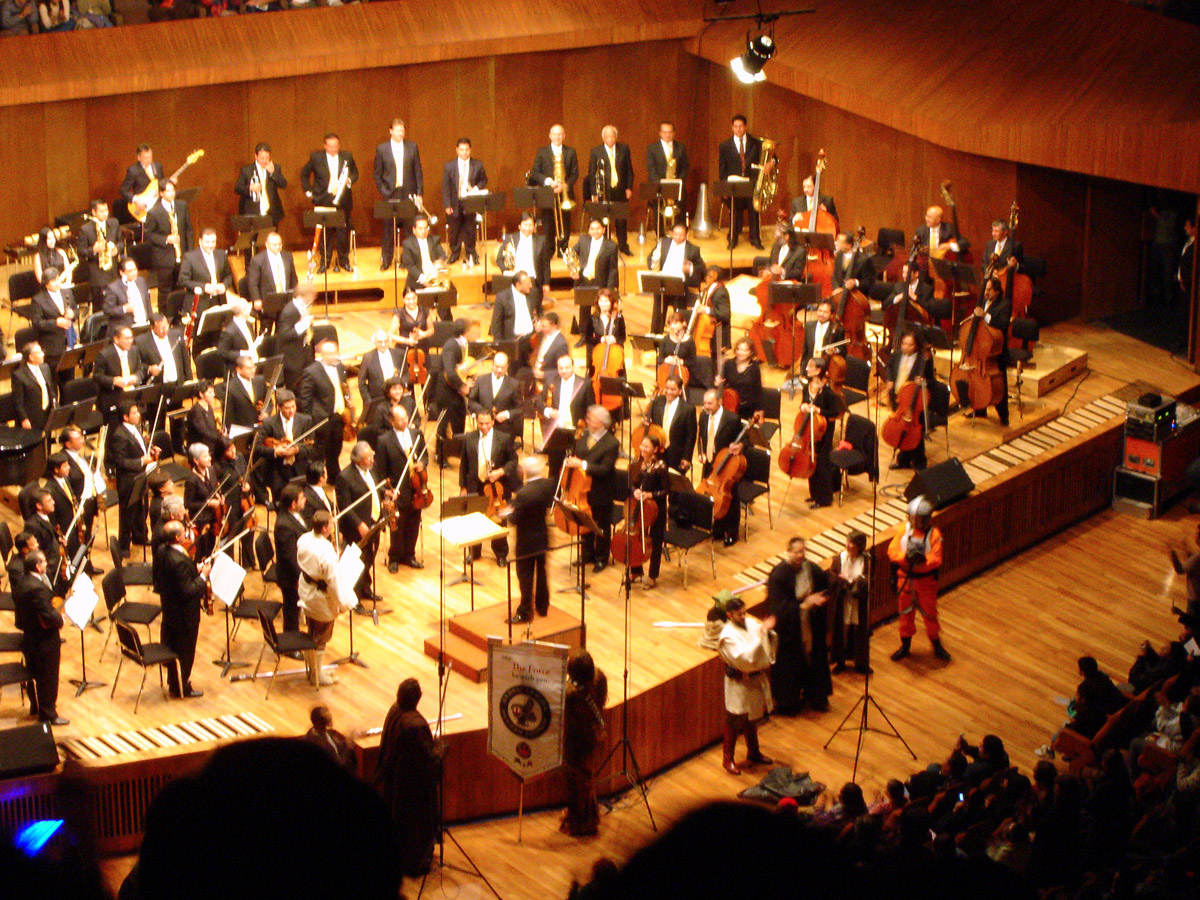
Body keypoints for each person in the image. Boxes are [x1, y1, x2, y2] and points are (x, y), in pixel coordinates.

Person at [375, 678, 442, 878]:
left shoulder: (394, 710)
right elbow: (427, 759)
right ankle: (415, 863)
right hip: (412, 787)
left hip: (394, 777)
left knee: (397, 821)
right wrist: (440, 750)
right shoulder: (414, 724)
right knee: (415, 826)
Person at [766, 536, 832, 714]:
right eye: (797, 552)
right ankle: (789, 702)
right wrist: (803, 605)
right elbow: (778, 608)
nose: (800, 555)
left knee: (813, 658)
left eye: (803, 551)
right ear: (789, 552)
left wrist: (822, 596)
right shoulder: (779, 575)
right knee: (791, 664)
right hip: (790, 629)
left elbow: (825, 584)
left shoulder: (809, 568)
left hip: (808, 623)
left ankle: (815, 696)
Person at [716, 596, 776, 775]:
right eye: (739, 614)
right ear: (729, 614)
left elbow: (764, 632)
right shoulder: (727, 636)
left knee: (752, 717)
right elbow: (745, 659)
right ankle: (728, 759)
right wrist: (761, 635)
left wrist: (768, 631)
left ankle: (754, 751)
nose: (743, 616)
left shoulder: (749, 623)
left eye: (744, 612)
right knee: (735, 719)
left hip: (754, 679)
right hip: (739, 681)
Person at [887, 495, 950, 662]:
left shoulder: (934, 535)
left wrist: (922, 561)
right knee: (905, 614)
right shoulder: (904, 530)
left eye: (918, 518)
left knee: (930, 615)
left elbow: (936, 559)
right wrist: (906, 557)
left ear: (927, 518)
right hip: (905, 579)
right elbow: (892, 551)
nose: (915, 521)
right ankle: (905, 646)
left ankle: (936, 645)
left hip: (925, 582)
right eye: (913, 518)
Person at [154, 520, 211, 699]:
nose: (187, 533)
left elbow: (177, 579)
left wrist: (194, 569)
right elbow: (188, 590)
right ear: (178, 537)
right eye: (183, 532)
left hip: (170, 609)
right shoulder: (176, 560)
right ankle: (182, 687)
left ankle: (174, 683)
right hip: (184, 614)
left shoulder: (162, 551)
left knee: (173, 647)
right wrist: (202, 576)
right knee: (185, 651)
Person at [14, 550, 66, 726]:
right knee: (48, 677)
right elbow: (50, 615)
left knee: (35, 672)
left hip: (29, 636)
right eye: (44, 562)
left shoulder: (23, 581)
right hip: (44, 639)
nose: (46, 564)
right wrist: (61, 619)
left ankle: (36, 706)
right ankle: (48, 714)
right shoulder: (36, 588)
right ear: (37, 566)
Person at [459, 409, 516, 567]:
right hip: (475, 484)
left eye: (487, 423)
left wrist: (500, 472)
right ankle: (474, 551)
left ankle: (501, 553)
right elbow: (464, 463)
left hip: (496, 486)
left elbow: (513, 461)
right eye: (480, 423)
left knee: (498, 519)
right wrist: (463, 486)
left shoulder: (504, 438)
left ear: (492, 422)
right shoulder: (470, 438)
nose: (484, 427)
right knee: (474, 518)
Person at [566, 405, 619, 573]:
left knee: (601, 526)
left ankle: (602, 558)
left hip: (600, 490)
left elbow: (605, 470)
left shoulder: (612, 444)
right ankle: (586, 554)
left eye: (591, 419)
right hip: (581, 489)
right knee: (584, 522)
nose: (587, 421)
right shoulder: (584, 435)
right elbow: (577, 454)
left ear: (602, 423)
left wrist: (581, 464)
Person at [561, 650, 608, 836]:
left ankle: (580, 822)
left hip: (576, 741)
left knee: (576, 782)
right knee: (587, 780)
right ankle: (589, 817)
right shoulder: (600, 680)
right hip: (592, 737)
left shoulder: (570, 695)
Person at [501, 457, 554, 624]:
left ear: (525, 472)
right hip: (542, 537)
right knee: (542, 572)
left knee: (525, 576)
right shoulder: (548, 484)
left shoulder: (523, 494)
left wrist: (508, 512)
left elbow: (514, 520)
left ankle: (524, 611)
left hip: (526, 542)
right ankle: (542, 605)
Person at [335, 442, 387, 611]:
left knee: (370, 558)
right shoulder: (345, 477)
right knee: (357, 562)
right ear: (358, 461)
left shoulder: (371, 469)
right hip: (357, 529)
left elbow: (375, 489)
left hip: (374, 521)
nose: (372, 460)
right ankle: (353, 597)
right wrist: (358, 524)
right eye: (368, 458)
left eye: (372, 455)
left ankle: (365, 588)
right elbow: (345, 506)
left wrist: (386, 493)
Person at [375, 406, 427, 572]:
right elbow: (381, 471)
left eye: (406, 417)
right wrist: (386, 491)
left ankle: (409, 555)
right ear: (392, 422)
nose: (405, 421)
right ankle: (394, 557)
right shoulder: (384, 441)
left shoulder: (416, 434)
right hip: (398, 490)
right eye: (401, 419)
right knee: (397, 527)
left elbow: (424, 454)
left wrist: (422, 464)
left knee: (413, 523)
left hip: (417, 488)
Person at [957, 274, 1012, 426]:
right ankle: (980, 409)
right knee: (977, 381)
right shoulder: (982, 301)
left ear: (997, 291)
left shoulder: (1004, 304)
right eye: (985, 289)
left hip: (996, 352)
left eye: (989, 289)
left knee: (1001, 387)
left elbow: (1002, 324)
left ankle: (1004, 416)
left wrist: (985, 316)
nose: (986, 292)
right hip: (981, 350)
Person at [296, 510, 344, 685]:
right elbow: (333, 580)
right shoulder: (326, 552)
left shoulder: (304, 539)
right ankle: (317, 676)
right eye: (331, 524)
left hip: (306, 589)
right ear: (324, 528)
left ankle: (313, 672)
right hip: (319, 597)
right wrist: (345, 602)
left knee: (312, 632)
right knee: (321, 637)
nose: (333, 526)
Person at [300, 132, 358, 273]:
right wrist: (309, 190)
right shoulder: (316, 157)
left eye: (336, 146)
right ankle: (324, 262)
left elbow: (355, 173)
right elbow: (304, 173)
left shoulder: (347, 157)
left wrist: (348, 180)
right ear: (325, 146)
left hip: (342, 201)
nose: (333, 149)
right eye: (330, 146)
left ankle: (344, 261)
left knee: (342, 234)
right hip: (323, 200)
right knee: (325, 234)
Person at [110, 401, 159, 556]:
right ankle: (123, 547)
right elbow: (120, 461)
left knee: (141, 510)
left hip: (140, 476)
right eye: (134, 413)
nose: (138, 415)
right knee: (127, 515)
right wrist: (141, 461)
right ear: (125, 417)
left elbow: (138, 448)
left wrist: (150, 449)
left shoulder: (134, 428)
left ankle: (140, 537)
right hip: (128, 480)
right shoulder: (119, 435)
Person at [374, 118, 423, 272]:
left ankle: (406, 260)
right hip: (390, 193)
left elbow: (418, 172)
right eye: (397, 130)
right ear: (391, 131)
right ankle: (387, 259)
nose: (400, 133)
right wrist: (384, 192)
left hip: (408, 193)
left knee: (409, 229)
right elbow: (377, 174)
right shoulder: (382, 149)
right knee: (388, 229)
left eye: (402, 130)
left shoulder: (412, 147)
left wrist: (419, 194)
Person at [697, 387, 745, 546]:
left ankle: (732, 531)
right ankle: (717, 528)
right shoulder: (704, 416)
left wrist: (740, 446)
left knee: (730, 497)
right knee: (712, 497)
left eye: (709, 403)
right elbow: (701, 438)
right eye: (704, 403)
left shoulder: (732, 419)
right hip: (709, 462)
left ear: (720, 402)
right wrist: (701, 452)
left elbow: (747, 441)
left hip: (726, 464)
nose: (706, 407)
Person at [299, 339, 351, 479]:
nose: (336, 356)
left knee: (336, 448)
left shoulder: (340, 367)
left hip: (338, 416)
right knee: (319, 453)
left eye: (336, 353)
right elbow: (305, 400)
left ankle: (334, 475)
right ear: (322, 355)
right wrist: (309, 424)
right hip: (321, 420)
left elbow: (344, 387)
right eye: (331, 354)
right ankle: (317, 478)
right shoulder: (311, 372)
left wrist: (348, 401)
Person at [883, 329, 934, 471]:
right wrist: (889, 380)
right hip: (898, 398)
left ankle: (919, 463)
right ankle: (903, 460)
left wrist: (923, 381)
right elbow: (889, 366)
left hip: (913, 401)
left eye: (910, 345)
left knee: (914, 434)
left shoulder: (923, 359)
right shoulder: (897, 354)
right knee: (901, 429)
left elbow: (931, 380)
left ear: (916, 346)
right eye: (904, 343)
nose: (905, 347)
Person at [625, 433, 668, 589]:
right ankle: (636, 570)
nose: (642, 448)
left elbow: (665, 491)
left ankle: (652, 576)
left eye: (646, 446)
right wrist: (635, 491)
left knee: (655, 542)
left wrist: (650, 495)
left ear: (655, 449)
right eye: (642, 445)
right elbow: (631, 484)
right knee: (636, 537)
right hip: (639, 506)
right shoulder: (637, 463)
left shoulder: (661, 467)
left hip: (656, 508)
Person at [528, 123, 578, 253]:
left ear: (564, 136)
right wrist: (548, 181)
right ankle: (549, 251)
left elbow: (574, 173)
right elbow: (535, 172)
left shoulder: (571, 152)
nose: (557, 136)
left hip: (565, 193)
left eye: (560, 134)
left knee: (565, 223)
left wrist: (564, 185)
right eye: (555, 134)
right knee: (548, 224)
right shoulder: (542, 152)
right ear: (550, 136)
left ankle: (563, 250)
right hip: (548, 192)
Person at [541, 354, 594, 476]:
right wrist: (548, 412)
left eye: (567, 367)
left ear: (573, 367)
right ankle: (554, 493)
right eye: (561, 368)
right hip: (557, 431)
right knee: (554, 469)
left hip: (577, 431)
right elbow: (539, 401)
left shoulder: (585, 384)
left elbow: (591, 408)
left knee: (575, 471)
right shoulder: (552, 382)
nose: (564, 371)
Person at [433, 318, 477, 464]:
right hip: (446, 391)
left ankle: (458, 451)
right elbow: (450, 373)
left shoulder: (464, 344)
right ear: (465, 332)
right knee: (444, 424)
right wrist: (463, 387)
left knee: (459, 420)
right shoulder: (451, 346)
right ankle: (440, 455)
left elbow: (461, 367)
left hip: (455, 390)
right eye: (473, 330)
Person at [798, 357, 840, 509]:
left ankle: (824, 499)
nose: (807, 369)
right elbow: (802, 403)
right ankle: (814, 494)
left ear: (819, 370)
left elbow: (835, 412)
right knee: (811, 462)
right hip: (810, 429)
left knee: (822, 465)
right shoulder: (806, 387)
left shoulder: (827, 391)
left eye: (810, 367)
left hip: (823, 431)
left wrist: (818, 410)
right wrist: (802, 406)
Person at [718, 114, 763, 251]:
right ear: (732, 128)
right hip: (734, 186)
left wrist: (771, 163)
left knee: (753, 211)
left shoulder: (756, 143)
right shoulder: (725, 145)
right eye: (735, 126)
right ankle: (733, 239)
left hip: (752, 183)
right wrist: (724, 188)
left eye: (741, 126)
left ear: (745, 127)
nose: (738, 129)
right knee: (734, 211)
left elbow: (773, 157)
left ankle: (755, 239)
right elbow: (722, 168)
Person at [441, 137, 488, 267]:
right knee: (454, 230)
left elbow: (484, 180)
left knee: (470, 229)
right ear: (457, 150)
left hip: (470, 202)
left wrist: (476, 188)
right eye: (462, 150)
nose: (464, 152)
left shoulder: (477, 165)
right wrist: (447, 205)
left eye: (467, 150)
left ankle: (471, 253)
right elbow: (445, 187)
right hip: (455, 202)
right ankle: (455, 253)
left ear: (470, 150)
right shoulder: (449, 166)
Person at [588, 125, 634, 255]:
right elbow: (592, 174)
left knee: (621, 221)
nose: (610, 139)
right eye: (607, 136)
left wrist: (629, 187)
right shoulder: (596, 151)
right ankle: (604, 248)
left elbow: (629, 170)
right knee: (604, 221)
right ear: (603, 137)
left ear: (616, 137)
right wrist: (594, 193)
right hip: (603, 192)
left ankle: (623, 246)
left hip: (620, 190)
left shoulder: (624, 149)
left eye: (612, 136)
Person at [828, 530, 869, 674]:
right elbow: (832, 577)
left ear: (859, 546)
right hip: (843, 600)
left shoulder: (866, 560)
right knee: (842, 631)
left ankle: (860, 662)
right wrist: (842, 580)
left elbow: (868, 579)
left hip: (858, 602)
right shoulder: (839, 559)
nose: (848, 545)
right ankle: (840, 661)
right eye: (847, 541)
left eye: (851, 543)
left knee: (859, 632)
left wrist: (856, 582)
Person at [143, 180, 192, 296]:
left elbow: (188, 230)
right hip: (164, 258)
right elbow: (148, 235)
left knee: (181, 289)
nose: (172, 193)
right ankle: (165, 313)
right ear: (161, 193)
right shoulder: (154, 212)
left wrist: (189, 253)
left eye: (173, 190)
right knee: (165, 291)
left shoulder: (182, 206)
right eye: (168, 191)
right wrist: (166, 239)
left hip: (182, 256)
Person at [29, 265, 79, 377]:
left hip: (69, 342)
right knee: (54, 380)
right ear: (46, 284)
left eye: (57, 279)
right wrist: (56, 323)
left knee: (69, 379)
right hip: (52, 348)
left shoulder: (67, 293)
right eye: (53, 281)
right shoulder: (38, 300)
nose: (57, 283)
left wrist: (73, 314)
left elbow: (76, 310)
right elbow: (37, 324)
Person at [496, 212, 551, 306]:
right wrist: (505, 271)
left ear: (534, 227)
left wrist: (546, 283)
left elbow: (545, 264)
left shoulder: (541, 241)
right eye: (525, 225)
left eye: (530, 225)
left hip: (534, 282)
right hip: (515, 281)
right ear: (519, 226)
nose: (528, 228)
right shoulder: (510, 238)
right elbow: (499, 258)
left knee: (534, 311)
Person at [273, 482, 307, 634]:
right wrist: (299, 579)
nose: (305, 499)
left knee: (295, 608)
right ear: (293, 504)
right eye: (301, 498)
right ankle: (290, 643)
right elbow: (289, 557)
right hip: (290, 578)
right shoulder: (284, 525)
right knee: (291, 610)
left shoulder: (294, 515)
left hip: (296, 572)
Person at [647, 374, 696, 475]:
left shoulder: (688, 409)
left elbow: (691, 436)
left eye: (673, 389)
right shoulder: (657, 401)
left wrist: (687, 457)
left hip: (676, 454)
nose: (669, 392)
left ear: (680, 391)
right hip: (657, 451)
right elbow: (652, 424)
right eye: (667, 388)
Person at [178, 228, 234, 316]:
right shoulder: (189, 257)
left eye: (213, 242)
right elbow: (182, 280)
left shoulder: (221, 254)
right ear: (200, 241)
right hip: (199, 304)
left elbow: (228, 276)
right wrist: (204, 287)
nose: (210, 245)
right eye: (207, 242)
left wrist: (224, 285)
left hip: (218, 301)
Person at [467, 351, 522, 439]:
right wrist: (484, 413)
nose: (499, 370)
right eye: (497, 367)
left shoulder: (514, 384)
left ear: (507, 367)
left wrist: (507, 414)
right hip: (483, 428)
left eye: (503, 367)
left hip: (505, 431)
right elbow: (471, 402)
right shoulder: (481, 380)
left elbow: (520, 409)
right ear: (492, 365)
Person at [77, 198, 120, 305]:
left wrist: (116, 249)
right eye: (102, 211)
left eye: (106, 210)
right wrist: (94, 250)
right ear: (93, 212)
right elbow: (81, 251)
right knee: (100, 305)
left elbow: (120, 241)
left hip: (113, 271)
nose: (105, 214)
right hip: (97, 274)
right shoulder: (85, 229)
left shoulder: (114, 223)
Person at [235, 142, 288, 227]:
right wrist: (250, 187)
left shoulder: (275, 167)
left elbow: (283, 184)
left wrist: (273, 173)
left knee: (271, 238)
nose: (265, 161)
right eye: (262, 158)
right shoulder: (247, 170)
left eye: (267, 157)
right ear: (256, 156)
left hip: (272, 213)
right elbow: (237, 188)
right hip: (253, 213)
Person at [276, 282, 316, 391]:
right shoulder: (289, 311)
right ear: (304, 295)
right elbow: (284, 335)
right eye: (311, 295)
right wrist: (302, 326)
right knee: (296, 391)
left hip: (305, 356)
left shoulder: (303, 307)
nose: (314, 297)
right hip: (294, 361)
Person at [716, 337, 764, 423]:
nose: (741, 353)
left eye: (745, 350)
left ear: (751, 352)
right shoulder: (729, 364)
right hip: (729, 405)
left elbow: (758, 390)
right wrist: (717, 383)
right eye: (739, 349)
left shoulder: (754, 368)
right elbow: (721, 384)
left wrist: (759, 410)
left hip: (747, 408)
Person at [12, 342, 56, 436]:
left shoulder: (45, 368)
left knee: (47, 443)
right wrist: (24, 419)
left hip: (47, 414)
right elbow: (18, 402)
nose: (43, 354)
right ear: (31, 357)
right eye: (39, 352)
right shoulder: (19, 375)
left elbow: (50, 389)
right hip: (32, 418)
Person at [136, 313, 190, 387]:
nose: (165, 331)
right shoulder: (141, 341)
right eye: (161, 329)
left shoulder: (176, 334)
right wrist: (149, 369)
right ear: (152, 328)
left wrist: (189, 380)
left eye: (166, 327)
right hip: (158, 385)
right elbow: (137, 365)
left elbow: (185, 360)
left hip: (178, 382)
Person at [245, 230, 298, 306]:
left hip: (286, 299)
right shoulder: (257, 260)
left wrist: (296, 294)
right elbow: (253, 283)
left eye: (279, 244)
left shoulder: (288, 256)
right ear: (267, 244)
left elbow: (293, 278)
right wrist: (256, 299)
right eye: (274, 244)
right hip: (267, 301)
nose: (277, 247)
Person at [399, 214, 447, 294]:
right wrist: (423, 279)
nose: (423, 231)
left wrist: (440, 261)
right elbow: (409, 265)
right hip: (417, 281)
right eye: (420, 229)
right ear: (414, 230)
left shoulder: (434, 240)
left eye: (425, 228)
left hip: (435, 279)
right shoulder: (408, 244)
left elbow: (442, 255)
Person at [573, 218, 619, 291]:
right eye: (592, 229)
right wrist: (574, 269)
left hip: (601, 284)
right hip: (583, 281)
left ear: (603, 230)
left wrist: (610, 289)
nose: (595, 231)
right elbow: (571, 254)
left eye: (598, 229)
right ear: (589, 230)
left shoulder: (611, 246)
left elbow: (613, 270)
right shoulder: (583, 240)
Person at [304, 705, 354, 772]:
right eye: (327, 719)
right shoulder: (324, 742)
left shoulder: (310, 732)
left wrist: (344, 743)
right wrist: (349, 747)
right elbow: (339, 764)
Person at [360, 329, 404, 404]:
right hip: (377, 400)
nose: (383, 344)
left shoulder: (399, 354)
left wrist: (400, 389)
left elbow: (405, 373)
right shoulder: (367, 358)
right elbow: (361, 382)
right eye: (380, 342)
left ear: (389, 341)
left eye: (386, 341)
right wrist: (368, 401)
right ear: (374, 342)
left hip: (398, 399)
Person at [801, 299, 846, 370]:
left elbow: (843, 351)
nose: (821, 314)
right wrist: (802, 371)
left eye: (825, 312)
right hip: (810, 369)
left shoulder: (838, 330)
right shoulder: (809, 326)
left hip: (828, 369)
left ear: (832, 315)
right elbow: (805, 351)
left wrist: (835, 350)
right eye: (820, 311)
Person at [1170, 521, 1200, 620]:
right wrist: (1185, 548)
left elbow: (1180, 569)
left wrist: (1172, 553)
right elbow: (1192, 562)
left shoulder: (1197, 558)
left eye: (1197, 534)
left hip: (1195, 600)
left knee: (1192, 627)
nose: (1195, 536)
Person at [531, 310, 570, 382]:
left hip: (548, 381)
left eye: (544, 326)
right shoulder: (542, 335)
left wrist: (545, 374)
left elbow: (565, 369)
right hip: (534, 375)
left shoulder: (561, 344)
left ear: (554, 326)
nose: (541, 328)